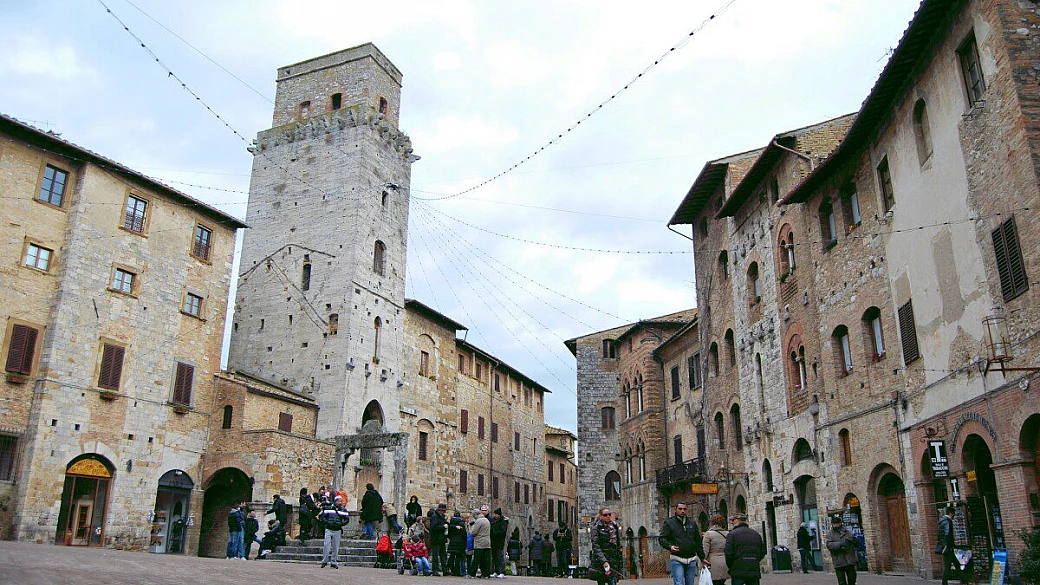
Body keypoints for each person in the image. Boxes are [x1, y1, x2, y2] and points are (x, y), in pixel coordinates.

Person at [659, 502, 705, 585]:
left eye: (684, 509)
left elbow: (698, 541)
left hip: (691, 558)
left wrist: (702, 558)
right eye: (680, 509)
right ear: (675, 510)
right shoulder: (669, 523)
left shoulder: (692, 522)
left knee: (690, 583)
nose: (683, 511)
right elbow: (662, 538)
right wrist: (670, 546)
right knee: (679, 583)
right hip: (677, 558)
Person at [724, 514, 765, 585]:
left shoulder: (732, 534)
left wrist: (731, 565)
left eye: (733, 520)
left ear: (738, 520)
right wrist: (755, 559)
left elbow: (728, 553)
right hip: (753, 567)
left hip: (737, 569)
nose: (732, 522)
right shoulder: (756, 534)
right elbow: (762, 551)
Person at [590, 508, 622, 585]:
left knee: (613, 581)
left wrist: (619, 558)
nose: (608, 516)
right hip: (601, 561)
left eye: (609, 514)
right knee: (602, 581)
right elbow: (596, 546)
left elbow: (617, 544)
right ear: (601, 516)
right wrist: (604, 561)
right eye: (605, 515)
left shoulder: (614, 526)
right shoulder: (596, 528)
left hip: (613, 559)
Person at [825, 515, 859, 585]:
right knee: (842, 582)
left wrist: (855, 542)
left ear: (841, 523)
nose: (836, 525)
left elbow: (853, 541)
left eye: (837, 523)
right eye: (834, 524)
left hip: (849, 559)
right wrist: (840, 544)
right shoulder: (830, 534)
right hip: (838, 560)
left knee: (852, 578)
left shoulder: (847, 532)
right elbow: (829, 545)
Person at [318, 495, 350, 569]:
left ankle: (333, 561)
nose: (340, 502)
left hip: (337, 530)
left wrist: (341, 524)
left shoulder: (343, 510)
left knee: (335, 547)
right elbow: (322, 517)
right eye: (339, 501)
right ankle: (324, 561)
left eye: (341, 501)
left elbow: (347, 519)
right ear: (335, 501)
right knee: (326, 546)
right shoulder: (328, 508)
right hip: (329, 529)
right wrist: (327, 523)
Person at [701, 514, 729, 585]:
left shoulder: (708, 534)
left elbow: (705, 550)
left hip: (713, 564)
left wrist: (702, 562)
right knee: (721, 582)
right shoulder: (728, 534)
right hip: (725, 562)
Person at [937, 506, 960, 585]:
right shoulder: (948, 522)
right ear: (951, 513)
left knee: (954, 564)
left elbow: (941, 536)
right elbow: (947, 534)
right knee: (949, 565)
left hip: (945, 547)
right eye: (954, 514)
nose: (954, 516)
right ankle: (945, 582)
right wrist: (949, 545)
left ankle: (963, 579)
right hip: (948, 548)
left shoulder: (942, 521)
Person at [471, 505, 493, 579]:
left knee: (476, 559)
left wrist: (471, 529)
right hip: (487, 542)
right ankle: (486, 574)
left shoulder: (479, 521)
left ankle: (472, 573)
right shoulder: (487, 520)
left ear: (475, 515)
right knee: (486, 560)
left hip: (480, 542)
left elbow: (474, 532)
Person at [430, 503, 450, 576]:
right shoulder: (435, 517)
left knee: (443, 555)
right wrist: (443, 527)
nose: (444, 512)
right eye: (443, 511)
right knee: (435, 556)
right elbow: (433, 528)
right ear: (440, 510)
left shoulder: (441, 517)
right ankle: (435, 570)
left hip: (441, 539)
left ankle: (445, 570)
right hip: (436, 539)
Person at [490, 508, 509, 578]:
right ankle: (496, 571)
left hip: (499, 541)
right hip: (493, 541)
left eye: (495, 514)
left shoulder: (503, 521)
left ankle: (502, 572)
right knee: (495, 557)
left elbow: (503, 531)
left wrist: (495, 532)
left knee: (500, 557)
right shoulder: (493, 520)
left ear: (498, 515)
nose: (494, 515)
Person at [449, 510, 469, 576]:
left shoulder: (451, 523)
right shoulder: (461, 523)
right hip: (460, 542)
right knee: (458, 557)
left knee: (452, 556)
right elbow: (464, 534)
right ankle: (457, 571)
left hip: (452, 541)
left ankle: (452, 569)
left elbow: (449, 533)